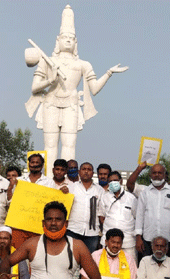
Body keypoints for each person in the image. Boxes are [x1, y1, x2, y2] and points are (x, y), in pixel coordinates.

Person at [25, 5, 128, 171]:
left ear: (75, 42)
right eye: (64, 37)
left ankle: (66, 180)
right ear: (58, 40)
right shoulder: (46, 61)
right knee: (49, 146)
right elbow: (34, 88)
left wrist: (109, 73)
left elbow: (93, 89)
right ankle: (50, 180)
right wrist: (50, 80)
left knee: (69, 146)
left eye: (71, 38)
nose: (68, 40)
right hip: (50, 103)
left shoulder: (83, 64)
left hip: (72, 105)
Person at [0, 201, 101, 279]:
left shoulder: (77, 247)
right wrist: (3, 274)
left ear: (66, 223)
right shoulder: (33, 244)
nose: (53, 223)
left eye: (58, 219)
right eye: (49, 219)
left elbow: (95, 278)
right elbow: (8, 260)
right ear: (43, 223)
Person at [9, 154, 55, 248]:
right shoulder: (19, 181)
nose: (34, 164)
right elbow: (10, 201)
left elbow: (51, 203)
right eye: (32, 162)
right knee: (17, 253)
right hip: (19, 225)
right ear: (29, 164)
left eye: (37, 162)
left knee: (36, 254)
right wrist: (10, 187)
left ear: (42, 165)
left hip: (37, 226)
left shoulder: (49, 182)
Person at [135, 164, 170, 259]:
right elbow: (140, 215)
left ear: (165, 175)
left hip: (169, 239)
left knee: (169, 268)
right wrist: (138, 238)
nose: (157, 175)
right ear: (150, 175)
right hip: (148, 239)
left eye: (159, 173)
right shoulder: (145, 192)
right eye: (154, 173)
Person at [67, 162, 104, 253]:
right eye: (84, 169)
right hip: (73, 229)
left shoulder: (100, 190)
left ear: (93, 173)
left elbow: (101, 212)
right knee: (72, 260)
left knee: (88, 261)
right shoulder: (71, 187)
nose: (86, 172)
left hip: (92, 232)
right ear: (79, 172)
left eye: (89, 169)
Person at [98, 171, 137, 259]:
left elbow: (136, 217)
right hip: (109, 241)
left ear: (121, 181)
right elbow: (101, 217)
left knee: (130, 268)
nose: (113, 183)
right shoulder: (104, 197)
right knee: (106, 268)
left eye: (115, 180)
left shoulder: (131, 198)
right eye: (110, 181)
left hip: (128, 241)